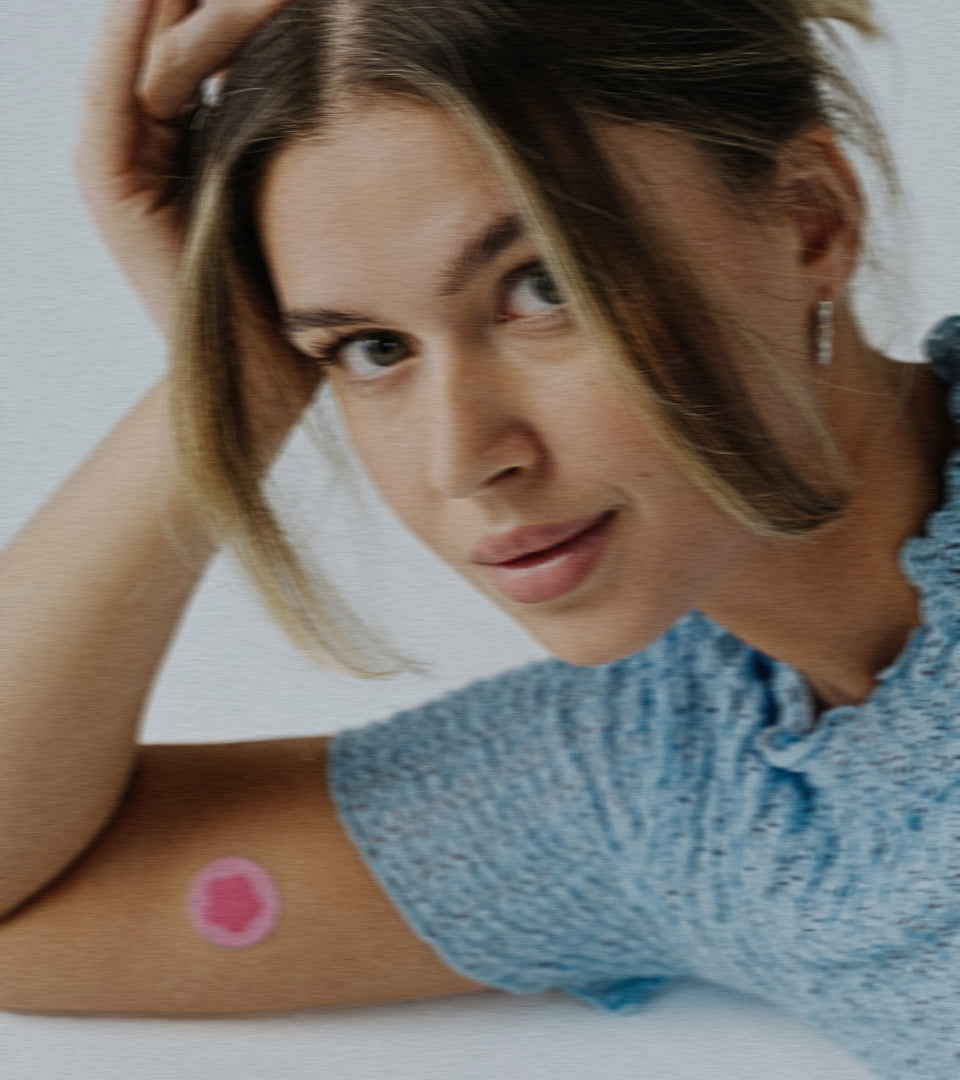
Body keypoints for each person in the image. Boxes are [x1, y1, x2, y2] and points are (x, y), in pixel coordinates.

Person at [0, 0, 957, 1075]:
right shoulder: (670, 789)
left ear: (809, 218)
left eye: (540, 288)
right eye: (367, 349)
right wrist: (223, 380)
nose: (460, 457)